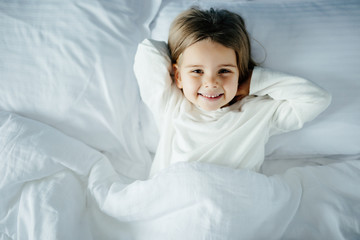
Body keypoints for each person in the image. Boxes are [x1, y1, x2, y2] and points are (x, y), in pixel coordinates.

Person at [134, 7, 331, 178]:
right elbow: (148, 51)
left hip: (233, 197)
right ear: (177, 76)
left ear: (241, 72)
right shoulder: (171, 105)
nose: (211, 83)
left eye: (224, 71)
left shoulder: (259, 112)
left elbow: (316, 99)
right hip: (175, 194)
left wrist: (251, 82)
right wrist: (185, 44)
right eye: (197, 71)